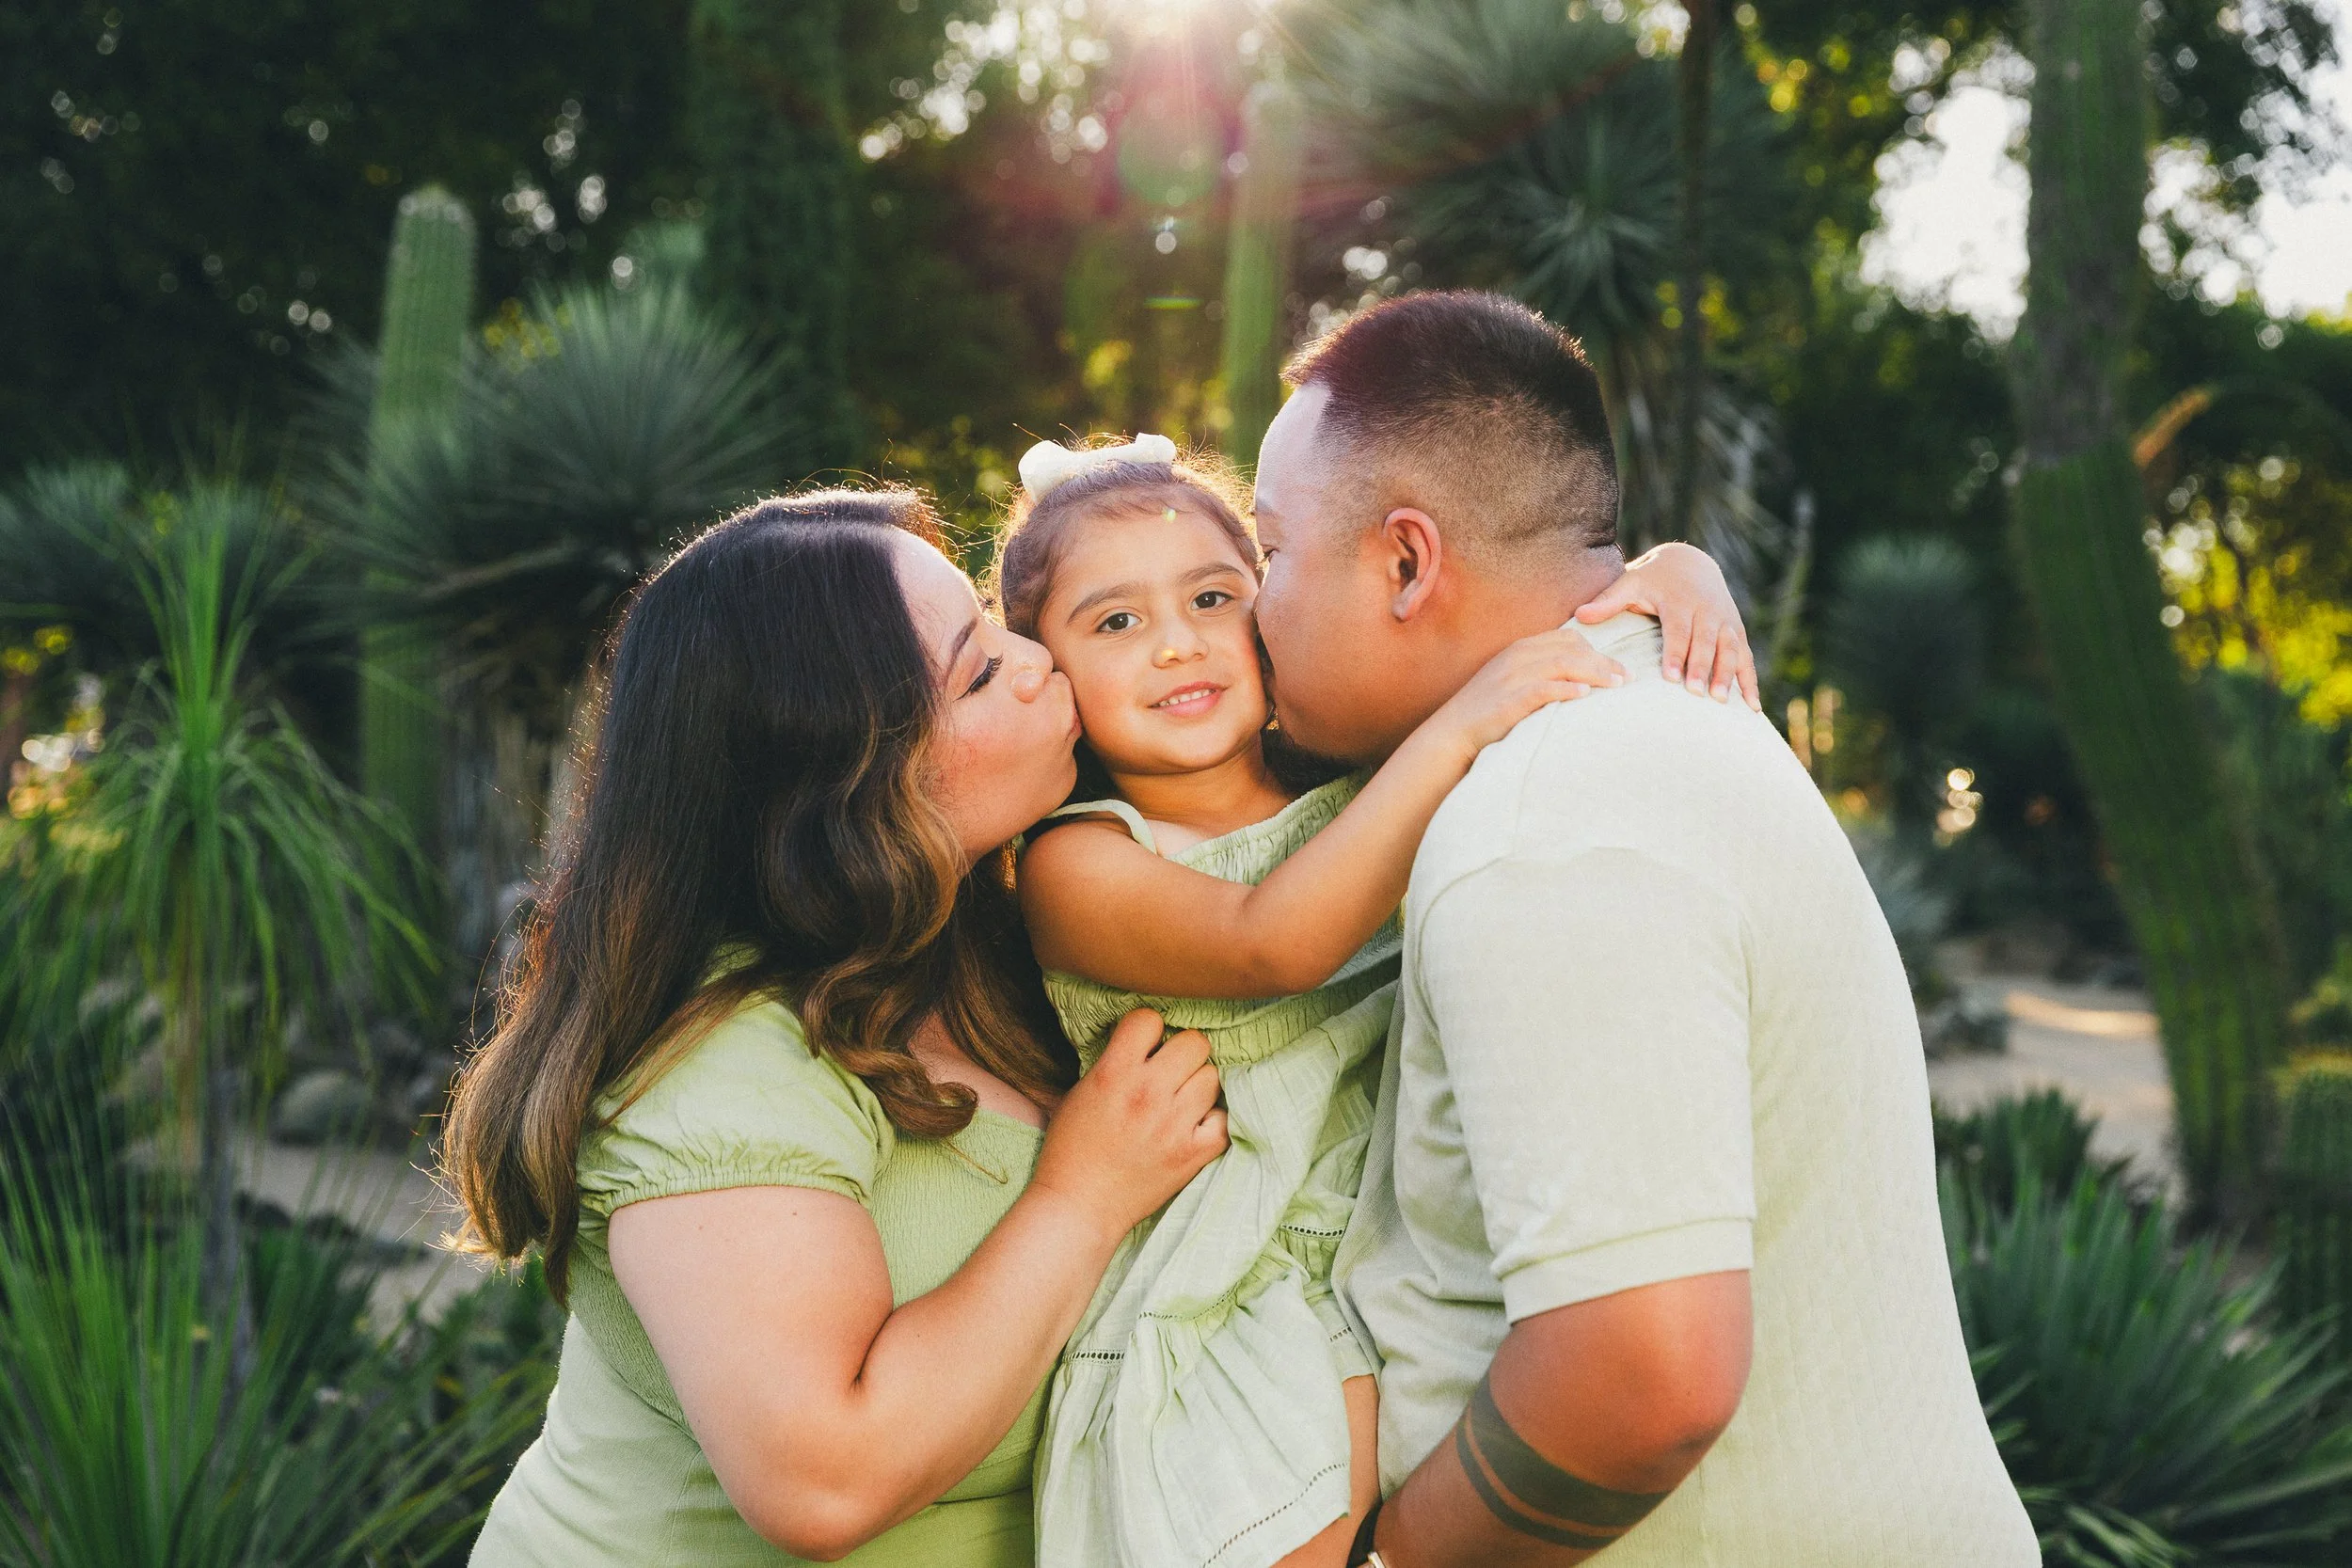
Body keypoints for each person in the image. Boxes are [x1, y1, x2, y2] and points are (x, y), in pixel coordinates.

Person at [1247, 291, 2039, 1566]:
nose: (1249, 604)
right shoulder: (1660, 718)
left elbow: (1643, 1374)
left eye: (1271, 549)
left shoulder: (1547, 819)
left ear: (1406, 560)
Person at [996, 436, 1756, 1568]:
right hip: (1235, 1292)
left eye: (1213, 595)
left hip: (1407, 1250)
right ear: (1045, 674)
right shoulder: (1080, 861)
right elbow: (1275, 942)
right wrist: (1460, 723)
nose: (1177, 642)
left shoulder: (1355, 773)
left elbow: (1498, 592)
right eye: (1114, 622)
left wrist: (1670, 574)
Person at [445, 488, 1229, 1566]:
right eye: (980, 668)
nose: (1037, 655)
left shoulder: (988, 937)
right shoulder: (721, 1068)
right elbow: (822, 1476)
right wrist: (1084, 1196)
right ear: (850, 787)